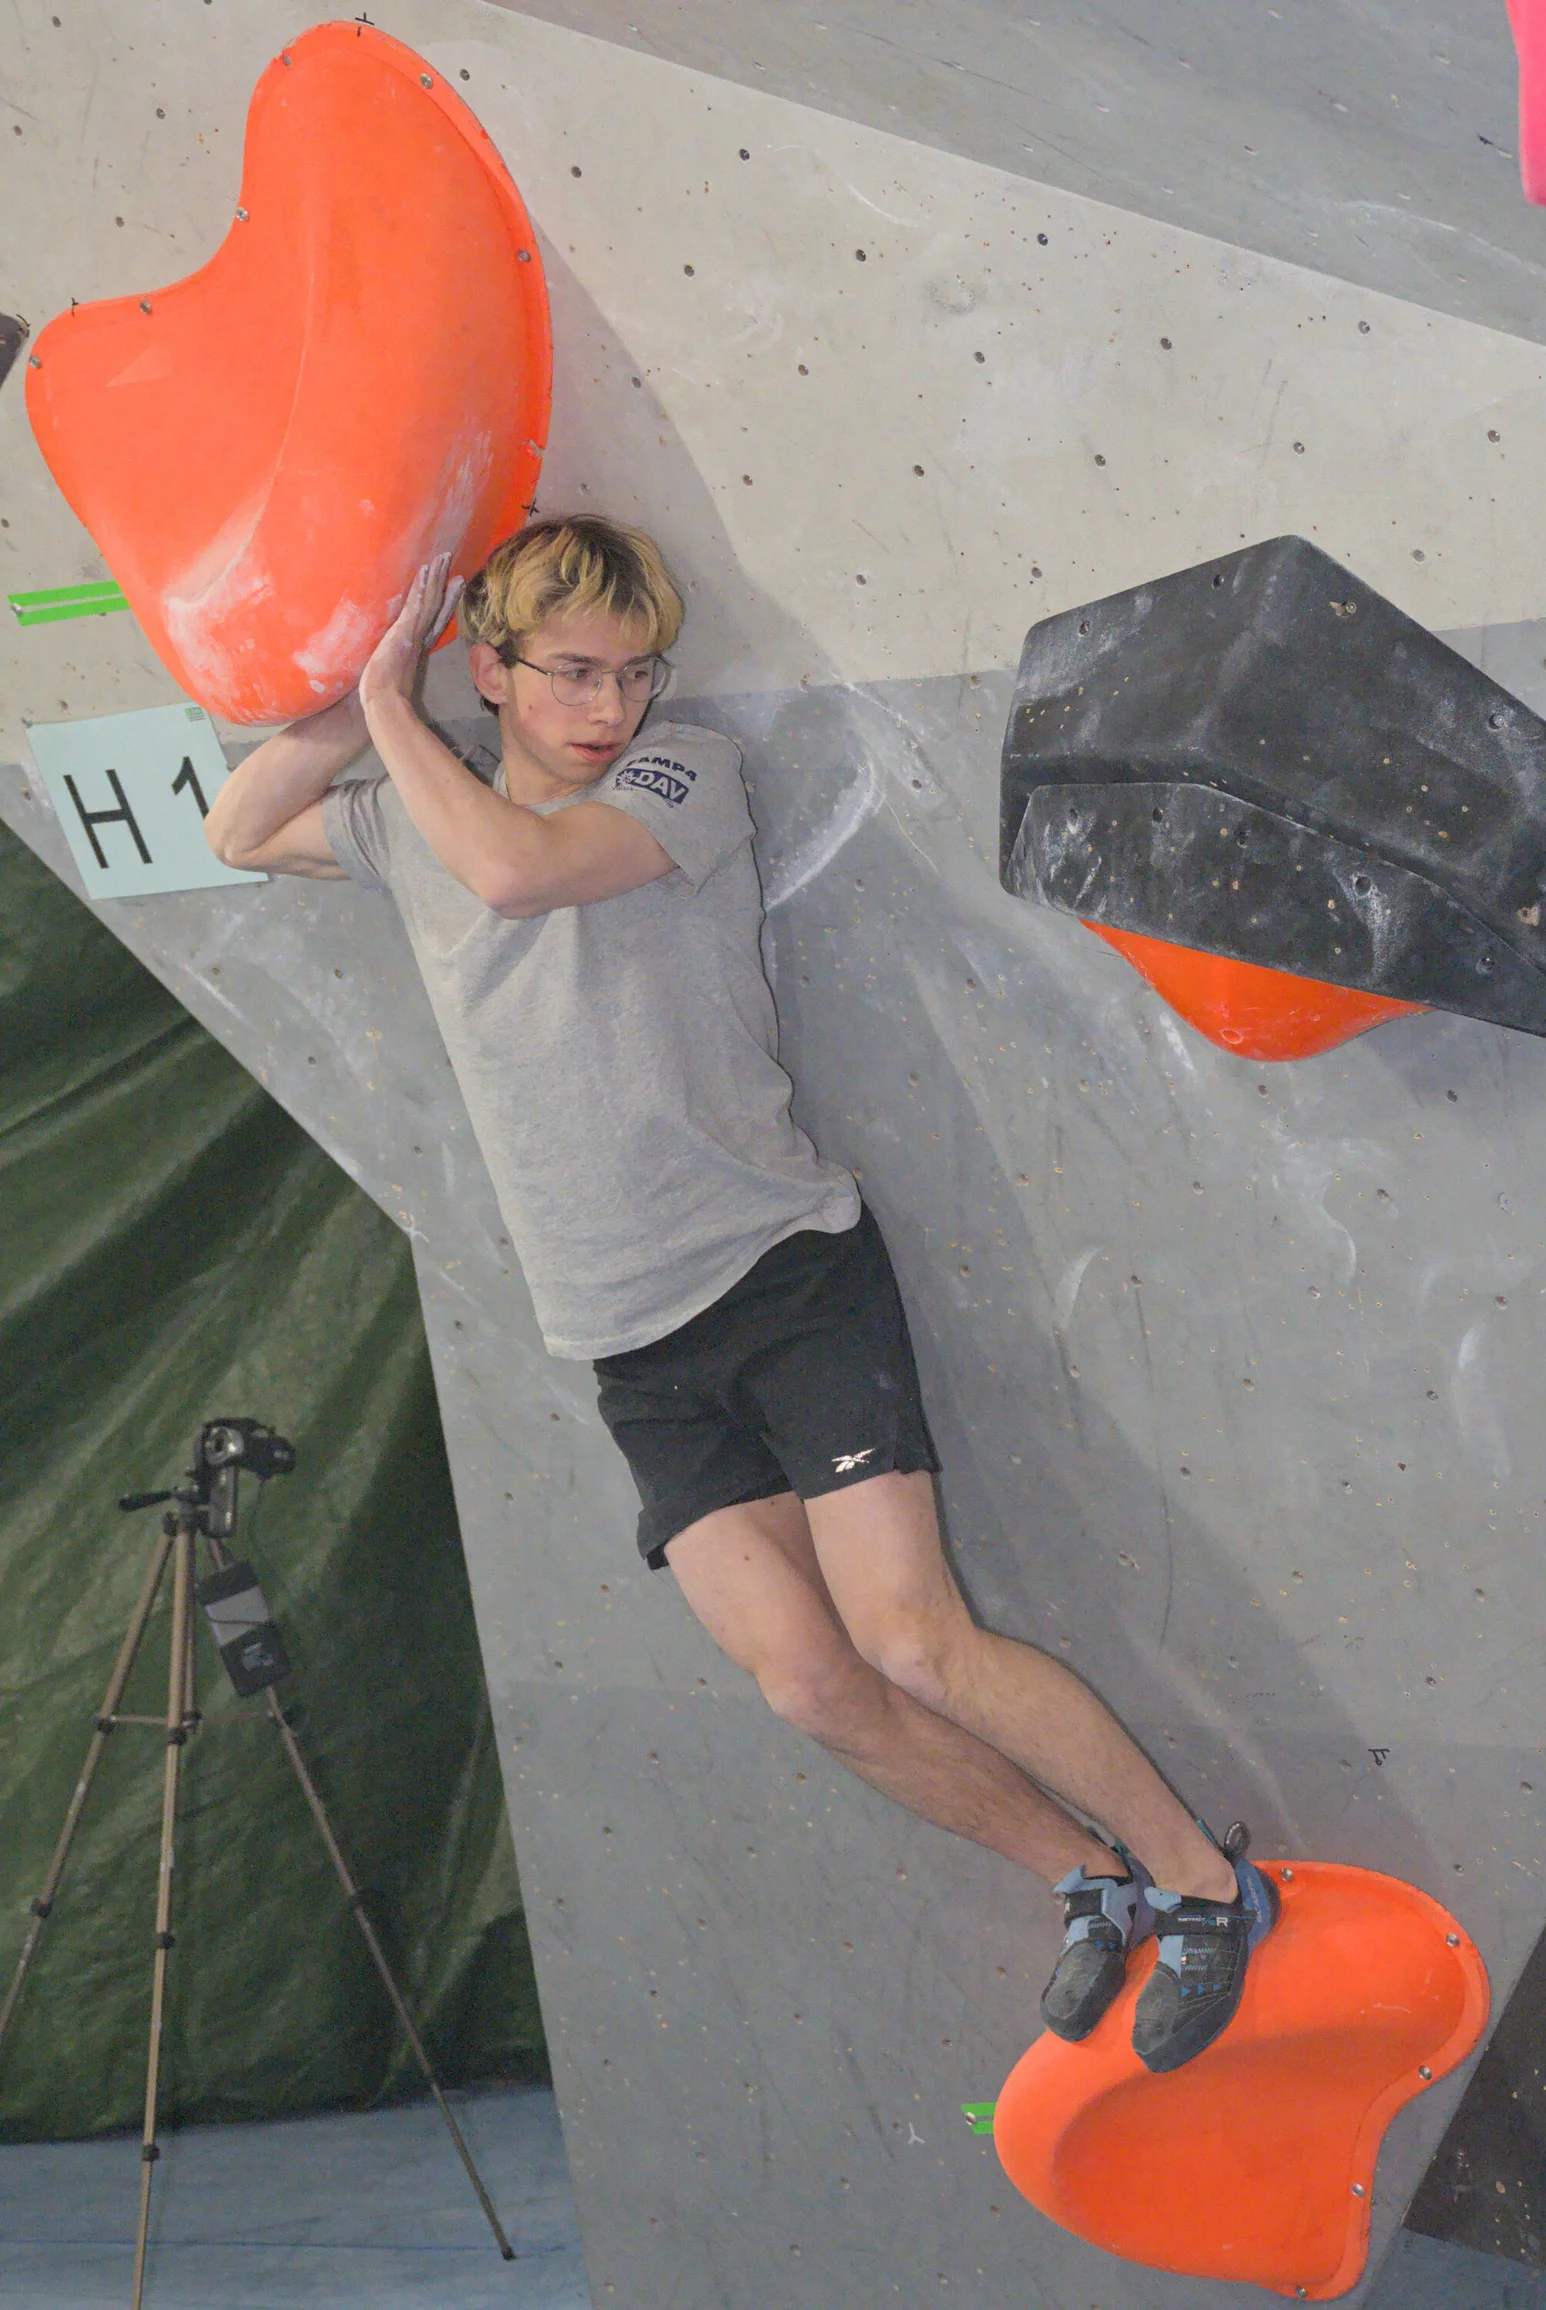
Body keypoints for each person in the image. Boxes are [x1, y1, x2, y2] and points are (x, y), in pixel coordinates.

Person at [204, 516, 1276, 2072]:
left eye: (635, 672)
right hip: (627, 1342)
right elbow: (241, 828)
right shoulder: (407, 821)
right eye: (570, 670)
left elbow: (516, 874)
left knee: (913, 1641)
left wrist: (389, 711)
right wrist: (373, 683)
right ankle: (1086, 1879)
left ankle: (1202, 1881)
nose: (610, 704)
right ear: (489, 668)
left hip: (783, 1282)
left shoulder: (677, 780)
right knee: (813, 1685)